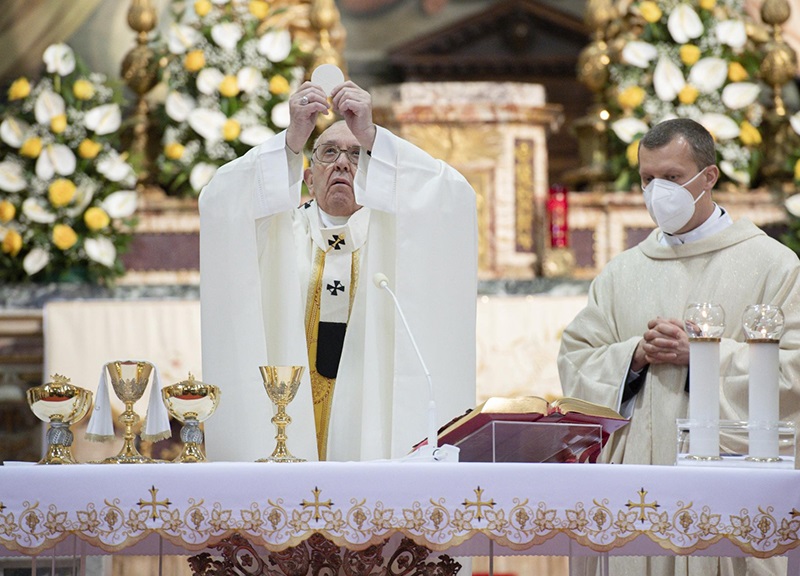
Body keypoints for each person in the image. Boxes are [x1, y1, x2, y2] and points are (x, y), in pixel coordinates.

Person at [558, 118, 800, 576]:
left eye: (671, 178)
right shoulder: (622, 271)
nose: (656, 193)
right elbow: (576, 358)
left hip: (726, 478)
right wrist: (633, 355)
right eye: (648, 179)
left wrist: (704, 355)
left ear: (708, 177)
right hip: (634, 481)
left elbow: (794, 369)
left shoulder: (773, 265)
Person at [199, 78, 478, 464]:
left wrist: (374, 136)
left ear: (374, 176)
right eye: (328, 152)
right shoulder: (279, 236)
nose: (344, 163)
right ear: (308, 179)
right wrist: (290, 141)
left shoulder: (393, 240)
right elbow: (220, 202)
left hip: (371, 428)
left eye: (357, 154)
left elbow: (456, 197)